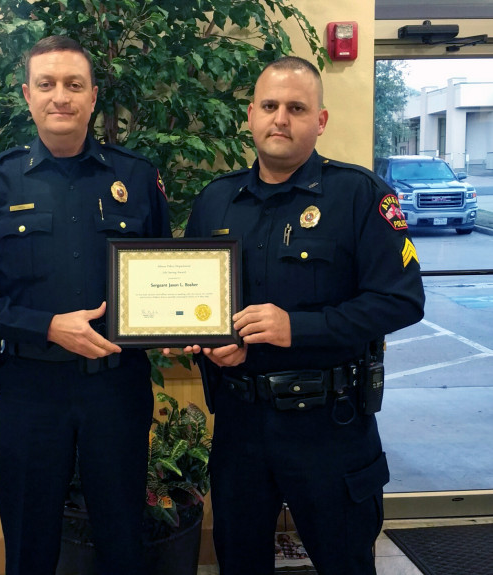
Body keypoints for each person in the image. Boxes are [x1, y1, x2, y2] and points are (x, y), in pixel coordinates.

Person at [0, 36, 170, 575]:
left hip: (116, 387)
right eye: (46, 85)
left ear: (93, 98)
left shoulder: (135, 178)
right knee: (28, 540)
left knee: (122, 538)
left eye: (74, 85)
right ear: (27, 94)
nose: (60, 97)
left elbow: (165, 271)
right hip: (30, 390)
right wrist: (45, 326)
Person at [183, 56, 425, 575]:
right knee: (239, 562)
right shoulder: (215, 203)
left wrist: (298, 328)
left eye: (296, 108)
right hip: (241, 426)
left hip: (331, 426)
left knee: (346, 563)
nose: (280, 119)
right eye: (269, 106)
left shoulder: (361, 196)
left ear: (320, 121)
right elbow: (198, 306)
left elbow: (403, 299)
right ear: (249, 115)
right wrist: (210, 343)